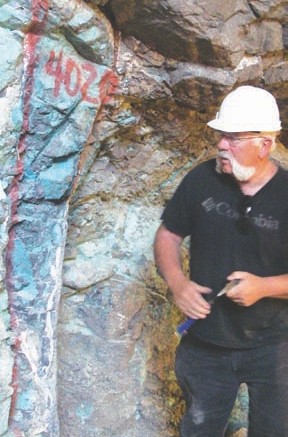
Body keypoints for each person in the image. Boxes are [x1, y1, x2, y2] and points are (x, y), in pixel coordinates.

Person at [154, 85, 288, 437]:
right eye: (220, 136)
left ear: (264, 145)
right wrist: (177, 283)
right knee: (199, 430)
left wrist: (265, 288)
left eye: (233, 138)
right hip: (206, 345)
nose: (221, 145)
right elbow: (168, 235)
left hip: (275, 346)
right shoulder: (201, 180)